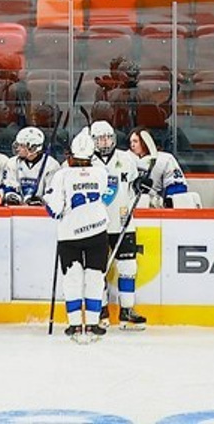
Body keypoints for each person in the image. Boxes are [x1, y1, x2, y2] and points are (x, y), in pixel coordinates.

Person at [44, 128, 111, 339]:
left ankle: (74, 324)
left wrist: (47, 201)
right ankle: (92, 324)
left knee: (72, 278)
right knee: (95, 278)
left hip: (69, 235)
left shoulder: (62, 175)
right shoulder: (101, 173)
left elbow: (54, 209)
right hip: (98, 231)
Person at [89, 120, 149, 327]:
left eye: (108, 137)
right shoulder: (86, 162)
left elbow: (135, 183)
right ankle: (101, 311)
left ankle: (126, 310)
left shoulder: (126, 159)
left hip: (123, 222)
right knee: (97, 271)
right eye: (100, 138)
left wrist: (141, 184)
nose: (105, 141)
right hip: (95, 225)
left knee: (128, 267)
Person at [129, 127, 194, 208]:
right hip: (128, 206)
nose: (132, 145)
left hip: (153, 206)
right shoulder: (126, 158)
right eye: (131, 142)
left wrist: (167, 203)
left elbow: (176, 186)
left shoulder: (165, 159)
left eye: (135, 141)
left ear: (146, 142)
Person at [1, 126, 56, 206]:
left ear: (33, 148)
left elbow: (52, 193)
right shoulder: (12, 162)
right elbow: (9, 184)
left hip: (41, 214)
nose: (18, 148)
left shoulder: (51, 165)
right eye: (18, 145)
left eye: (22, 146)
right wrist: (11, 195)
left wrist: (41, 200)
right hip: (17, 211)